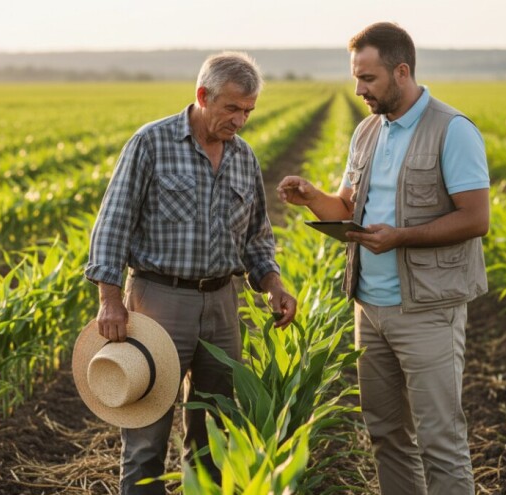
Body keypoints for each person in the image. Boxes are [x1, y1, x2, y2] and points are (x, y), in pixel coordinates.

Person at [277, 22, 489, 495]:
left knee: (440, 441)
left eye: (368, 79)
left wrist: (401, 238)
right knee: (386, 435)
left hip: (427, 311)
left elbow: (476, 219)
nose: (358, 90)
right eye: (356, 78)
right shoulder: (368, 131)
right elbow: (348, 208)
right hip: (368, 310)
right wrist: (313, 197)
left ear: (401, 71)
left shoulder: (452, 130)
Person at [85, 51, 297, 495]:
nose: (240, 120)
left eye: (248, 111)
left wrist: (273, 284)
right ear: (203, 96)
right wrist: (109, 300)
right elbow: (113, 224)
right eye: (232, 108)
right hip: (159, 299)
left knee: (215, 432)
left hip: (222, 304)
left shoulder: (243, 158)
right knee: (147, 433)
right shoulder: (152, 143)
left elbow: (257, 237)